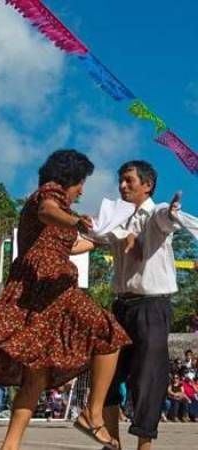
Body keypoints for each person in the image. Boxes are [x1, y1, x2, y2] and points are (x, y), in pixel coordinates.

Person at [0, 149, 131, 450]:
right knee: (109, 331)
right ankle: (92, 412)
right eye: (81, 183)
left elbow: (72, 245)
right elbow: (47, 211)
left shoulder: (57, 219)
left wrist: (110, 238)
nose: (82, 190)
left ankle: (9, 446)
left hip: (36, 294)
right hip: (48, 288)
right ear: (68, 178)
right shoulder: (49, 194)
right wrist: (75, 221)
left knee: (35, 379)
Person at [73, 160, 187, 450]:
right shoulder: (115, 217)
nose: (122, 186)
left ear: (147, 185)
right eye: (120, 181)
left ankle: (144, 447)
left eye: (129, 181)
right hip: (121, 307)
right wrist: (67, 234)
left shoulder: (156, 214)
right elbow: (92, 239)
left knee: (148, 379)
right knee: (106, 376)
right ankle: (111, 442)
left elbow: (164, 218)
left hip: (152, 307)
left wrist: (171, 211)